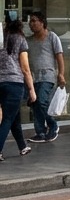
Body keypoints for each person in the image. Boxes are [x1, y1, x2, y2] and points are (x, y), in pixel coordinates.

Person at [26, 11, 64, 143]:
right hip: (34, 76)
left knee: (42, 101)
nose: (31, 24)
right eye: (30, 21)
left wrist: (61, 74)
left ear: (42, 23)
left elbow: (59, 56)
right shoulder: (29, 41)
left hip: (48, 75)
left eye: (34, 21)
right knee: (36, 103)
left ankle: (53, 125)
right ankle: (40, 132)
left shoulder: (52, 37)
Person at [0, 19, 35, 159]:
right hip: (14, 83)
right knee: (7, 119)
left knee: (14, 117)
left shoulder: (1, 39)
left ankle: (22, 146)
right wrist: (31, 89)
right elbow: (25, 68)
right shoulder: (20, 39)